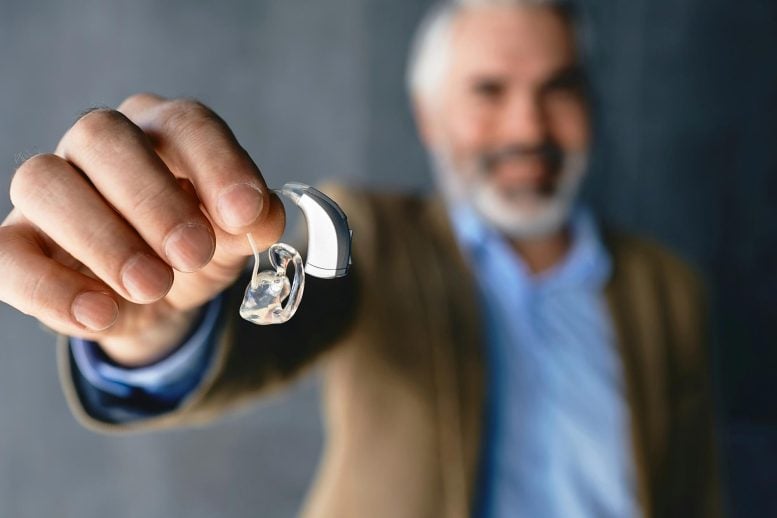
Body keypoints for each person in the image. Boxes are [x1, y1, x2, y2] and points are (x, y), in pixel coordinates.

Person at [0, 0, 720, 516]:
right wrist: (154, 334)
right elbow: (276, 322)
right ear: (428, 116)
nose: (526, 125)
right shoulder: (364, 232)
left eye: (556, 88)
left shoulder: (668, 287)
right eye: (488, 91)